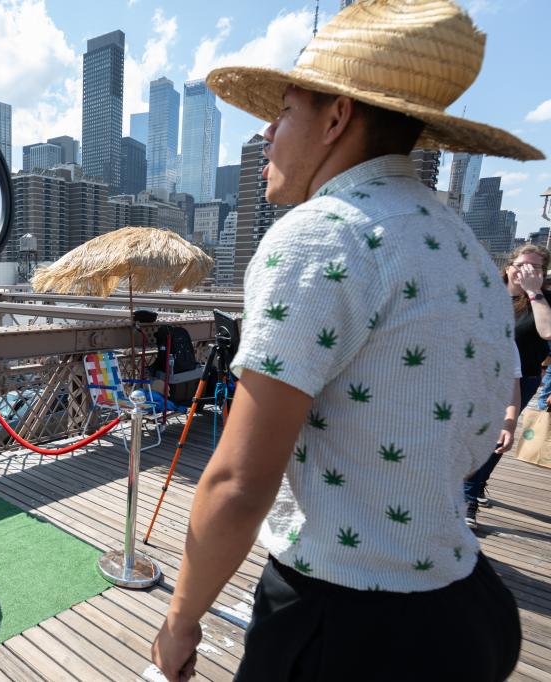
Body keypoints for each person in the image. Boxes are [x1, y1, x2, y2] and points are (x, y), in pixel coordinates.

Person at [150, 2, 543, 681]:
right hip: (468, 613)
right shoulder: (470, 253)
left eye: (285, 111)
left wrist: (180, 623)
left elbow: (240, 482)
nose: (266, 133)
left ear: (336, 118)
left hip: (346, 627)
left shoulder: (323, 234)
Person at [465, 245, 551, 527]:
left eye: (535, 268)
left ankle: (471, 495)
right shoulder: (488, 291)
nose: (525, 271)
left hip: (520, 379)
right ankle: (470, 490)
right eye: (521, 264)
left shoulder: (542, 300)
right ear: (509, 265)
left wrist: (534, 291)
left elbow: (548, 332)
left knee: (496, 439)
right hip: (477, 378)